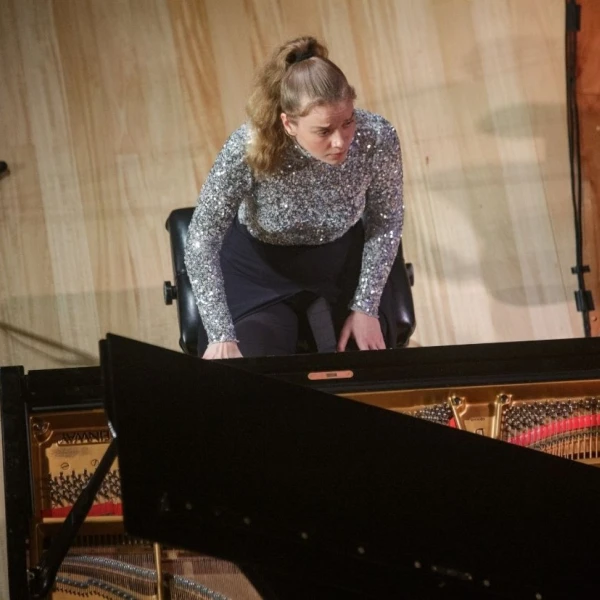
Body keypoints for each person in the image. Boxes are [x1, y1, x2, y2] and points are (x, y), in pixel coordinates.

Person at [184, 36, 404, 360]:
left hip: (340, 265)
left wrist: (366, 306)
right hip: (257, 271)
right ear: (288, 124)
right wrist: (220, 334)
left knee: (362, 368)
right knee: (253, 372)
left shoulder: (378, 136)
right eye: (323, 131)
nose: (341, 141)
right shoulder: (247, 148)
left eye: (348, 122)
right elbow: (201, 238)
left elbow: (386, 220)